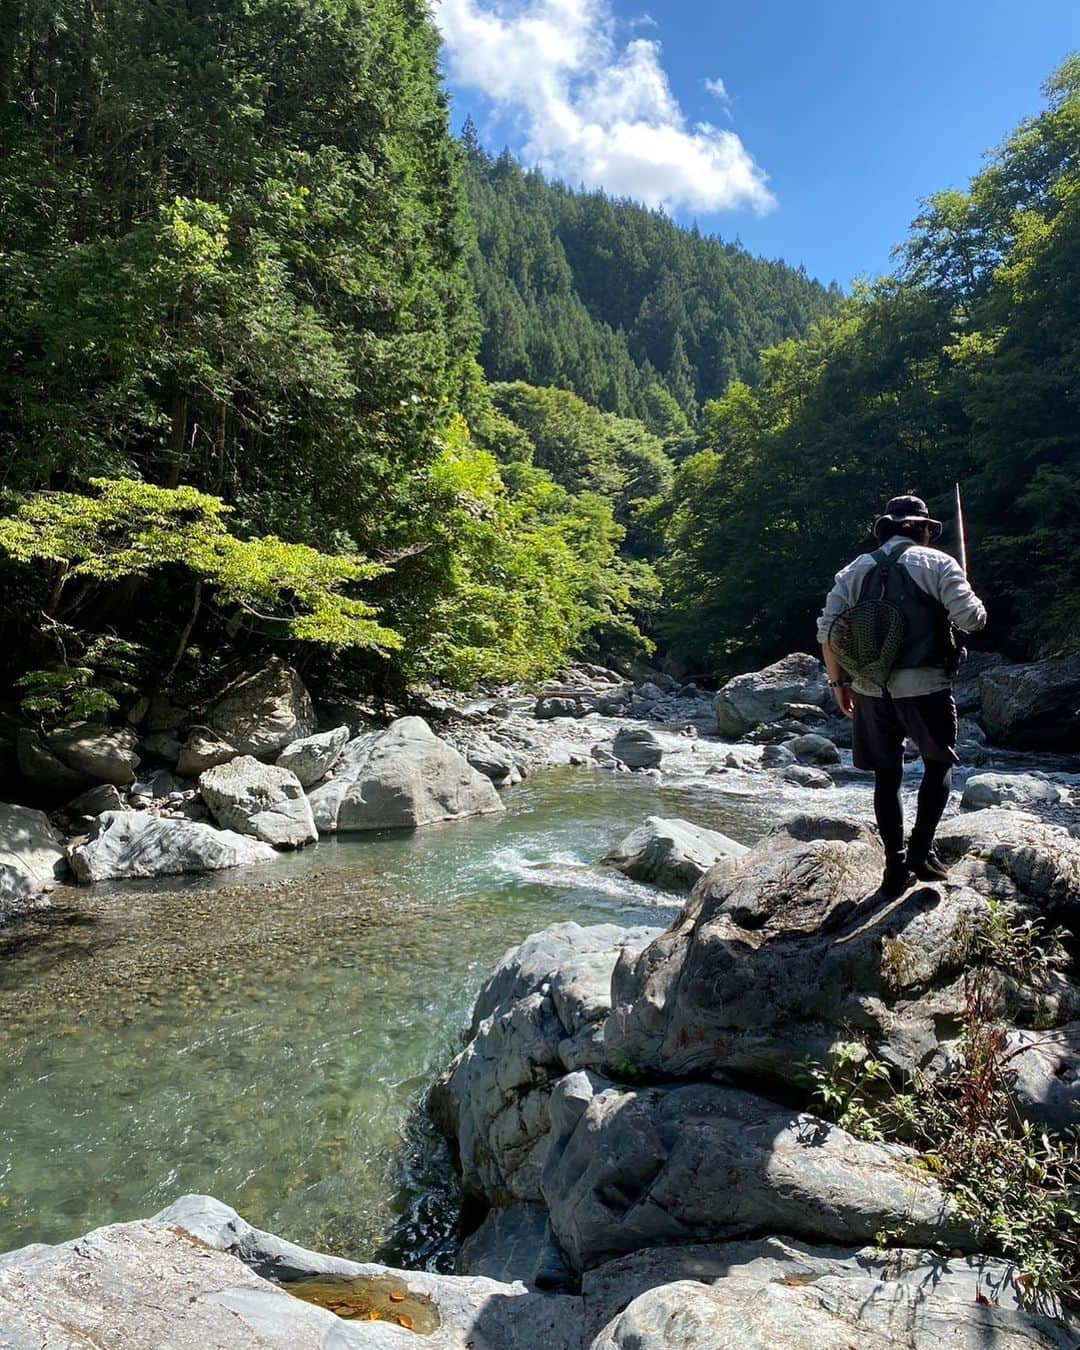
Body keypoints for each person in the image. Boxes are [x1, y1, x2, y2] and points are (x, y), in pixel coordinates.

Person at [817, 494, 987, 896]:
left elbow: (828, 631)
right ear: (922, 529)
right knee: (938, 763)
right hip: (925, 686)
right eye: (928, 529)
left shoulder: (854, 570)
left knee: (887, 775)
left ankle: (894, 868)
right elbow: (972, 620)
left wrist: (839, 684)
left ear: (887, 529)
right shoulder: (940, 563)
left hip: (869, 688)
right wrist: (971, 595)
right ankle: (920, 852)